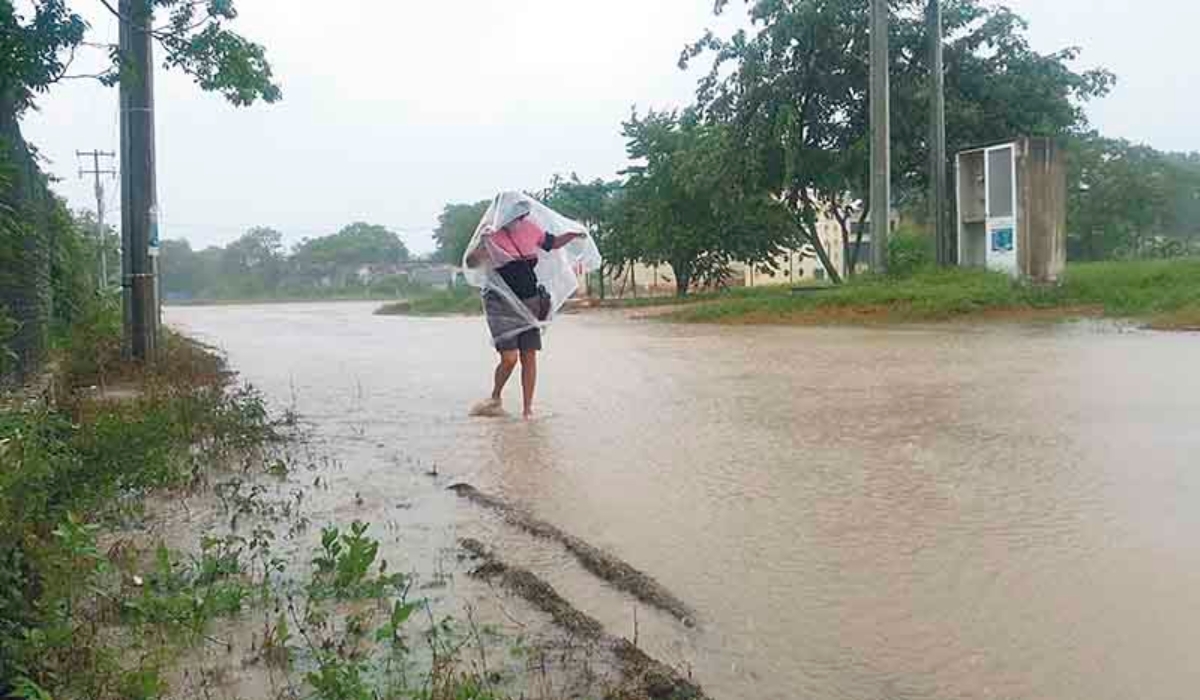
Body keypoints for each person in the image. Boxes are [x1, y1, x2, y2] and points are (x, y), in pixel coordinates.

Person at [466, 194, 585, 419]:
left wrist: (573, 234)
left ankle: (527, 411)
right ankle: (495, 397)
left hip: (529, 301)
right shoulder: (491, 235)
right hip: (500, 302)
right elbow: (472, 263)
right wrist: (482, 244)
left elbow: (552, 243)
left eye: (523, 214)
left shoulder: (530, 228)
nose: (521, 218)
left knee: (529, 355)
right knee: (509, 358)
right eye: (517, 214)